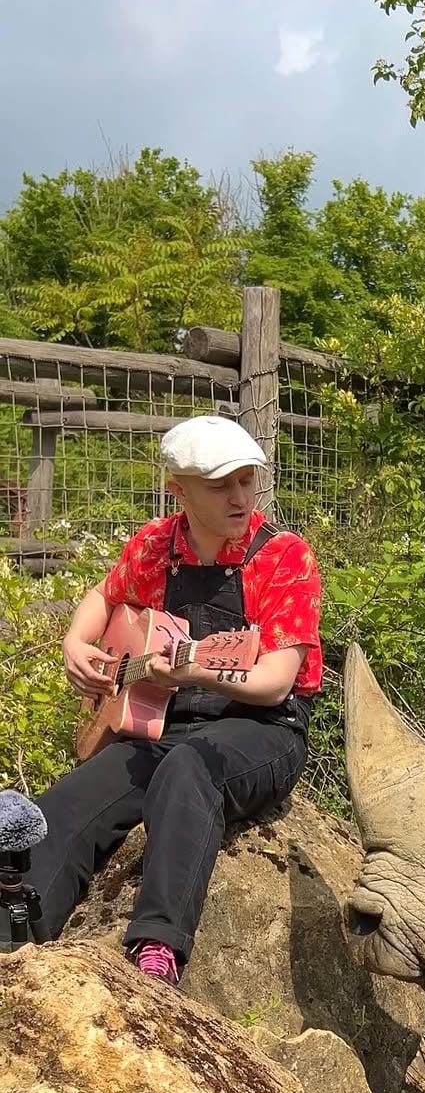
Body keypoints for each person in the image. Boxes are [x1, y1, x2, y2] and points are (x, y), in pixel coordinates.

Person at [29, 414, 323, 984]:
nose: (240, 496)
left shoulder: (284, 557)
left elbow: (276, 681)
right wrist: (75, 640)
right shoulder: (155, 545)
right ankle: (18, 934)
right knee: (64, 805)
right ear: (179, 491)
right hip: (163, 723)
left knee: (190, 770)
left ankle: (157, 951)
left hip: (263, 729)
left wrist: (194, 674)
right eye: (221, 485)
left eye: (246, 479)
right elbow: (105, 593)